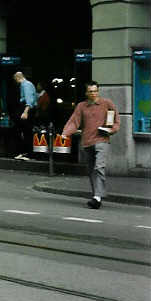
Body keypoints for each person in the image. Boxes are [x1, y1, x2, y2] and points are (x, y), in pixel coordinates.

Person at [60, 81, 119, 209]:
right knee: (91, 171)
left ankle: (97, 197)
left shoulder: (107, 104)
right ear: (86, 93)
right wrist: (66, 133)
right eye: (90, 91)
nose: (93, 94)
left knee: (99, 167)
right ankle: (96, 196)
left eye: (95, 91)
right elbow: (74, 121)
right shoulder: (81, 106)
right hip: (87, 141)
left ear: (98, 91)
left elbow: (115, 122)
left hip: (102, 140)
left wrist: (111, 130)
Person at [12, 71, 37, 160]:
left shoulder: (26, 85)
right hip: (26, 109)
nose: (15, 81)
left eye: (15, 79)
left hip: (26, 109)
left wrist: (25, 111)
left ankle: (27, 153)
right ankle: (25, 153)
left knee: (25, 131)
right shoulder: (27, 84)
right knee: (24, 131)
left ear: (18, 77)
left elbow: (29, 99)